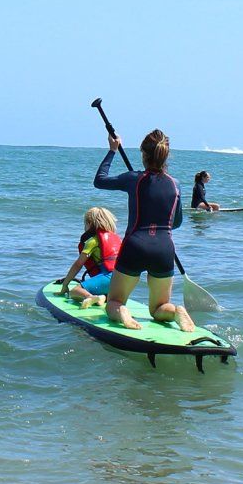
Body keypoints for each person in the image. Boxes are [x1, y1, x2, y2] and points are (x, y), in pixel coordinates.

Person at [93, 129, 192, 332]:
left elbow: (100, 180)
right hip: (164, 248)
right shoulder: (176, 185)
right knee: (158, 309)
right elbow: (177, 222)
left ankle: (122, 312)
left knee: (114, 301)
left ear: (143, 154)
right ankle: (175, 312)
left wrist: (112, 150)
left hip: (135, 245)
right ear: (165, 156)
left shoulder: (133, 179)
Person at [53, 207, 120, 305]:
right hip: (122, 279)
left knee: (74, 292)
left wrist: (65, 284)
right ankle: (103, 297)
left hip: (109, 278)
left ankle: (91, 297)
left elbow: (78, 264)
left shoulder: (93, 241)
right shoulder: (116, 239)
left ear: (89, 224)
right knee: (103, 290)